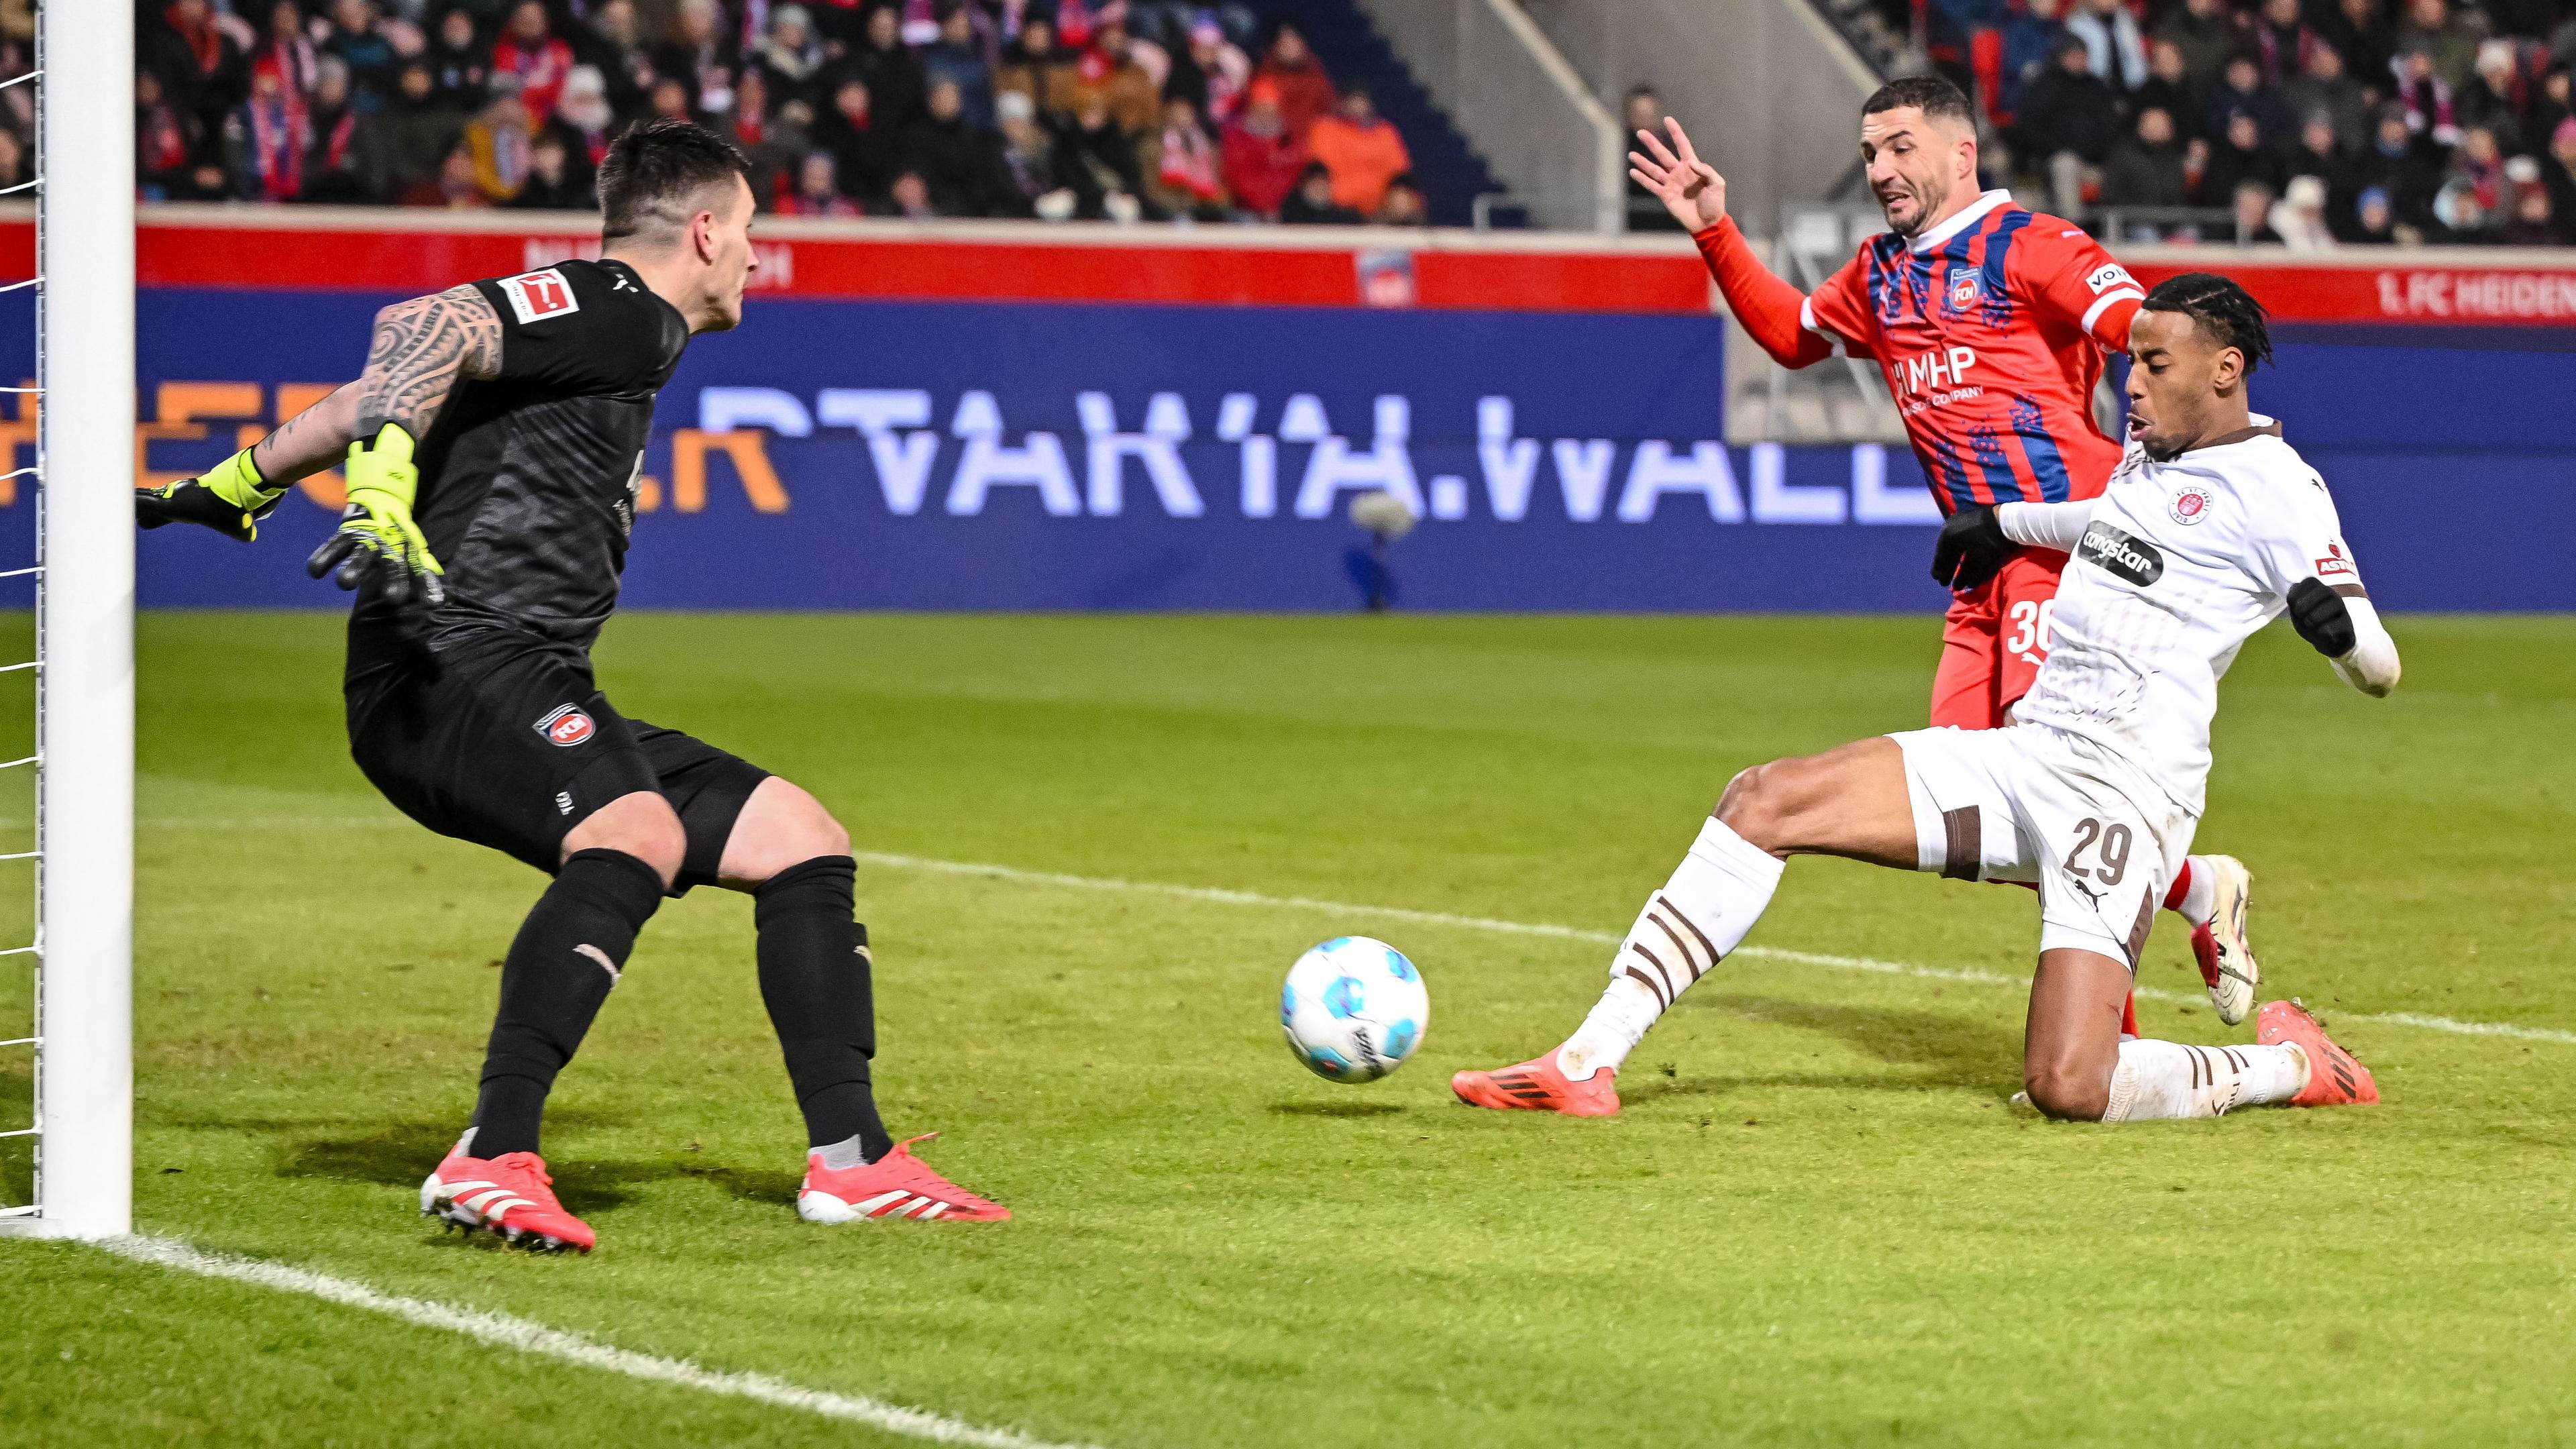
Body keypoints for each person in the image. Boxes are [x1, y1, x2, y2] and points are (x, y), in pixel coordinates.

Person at [134, 120, 1009, 1249]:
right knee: (634, 830)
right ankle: (493, 1156)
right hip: (452, 658)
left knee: (799, 836)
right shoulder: (621, 309)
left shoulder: (606, 336)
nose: (754, 256)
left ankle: (853, 1160)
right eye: (747, 232)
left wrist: (238, 479)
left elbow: (375, 393)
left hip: (510, 668)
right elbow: (424, 323)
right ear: (703, 230)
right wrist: (385, 483)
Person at [1455, 273, 2396, 1127]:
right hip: (2027, 754)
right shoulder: (2149, 455)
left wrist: (2338, 633)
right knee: (1763, 800)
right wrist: (2002, 525)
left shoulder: (2282, 490)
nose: (2133, 385)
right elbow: (2107, 522)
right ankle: (1585, 1062)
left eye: (2154, 364)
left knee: (2071, 1087)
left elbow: (2379, 662)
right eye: (2131, 363)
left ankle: (2290, 1065)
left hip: (2124, 797)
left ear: (2226, 370)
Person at [1639, 76, 2267, 1026]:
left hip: (2060, 559)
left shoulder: (2035, 247)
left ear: (1960, 153)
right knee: (1982, 824)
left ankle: (2108, 1048)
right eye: (1869, 155)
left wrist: (2199, 472)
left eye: (1899, 147)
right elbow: (1792, 334)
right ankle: (2194, 890)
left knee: (2050, 800)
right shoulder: (1880, 272)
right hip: (1979, 572)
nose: (1881, 170)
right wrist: (1713, 228)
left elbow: (2151, 339)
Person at [1305, 84, 1409, 216]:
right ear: (1342, 102)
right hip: (1336, 211)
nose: (1357, 105)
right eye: (1353, 100)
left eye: (1361, 100)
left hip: (1380, 213)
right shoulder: (1325, 129)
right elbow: (1319, 170)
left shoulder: (1386, 133)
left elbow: (1400, 173)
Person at [1220, 80, 1306, 219]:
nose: (1266, 114)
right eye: (1262, 108)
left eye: (1271, 108)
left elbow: (1295, 175)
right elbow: (1234, 175)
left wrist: (1275, 205)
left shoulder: (1291, 140)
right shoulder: (1235, 138)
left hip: (1282, 210)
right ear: (1253, 108)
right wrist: (1263, 204)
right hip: (1244, 208)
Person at [1251, 21, 1335, 139]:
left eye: (1294, 41)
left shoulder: (1317, 77)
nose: (1290, 47)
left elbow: (1329, 112)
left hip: (1312, 142)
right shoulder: (1264, 80)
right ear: (1275, 46)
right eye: (1285, 43)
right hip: (1277, 143)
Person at [1277, 158, 1361, 223]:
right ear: (1305, 187)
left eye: (1322, 184)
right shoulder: (1292, 215)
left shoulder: (1346, 219)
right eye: (1315, 184)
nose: (1319, 189)